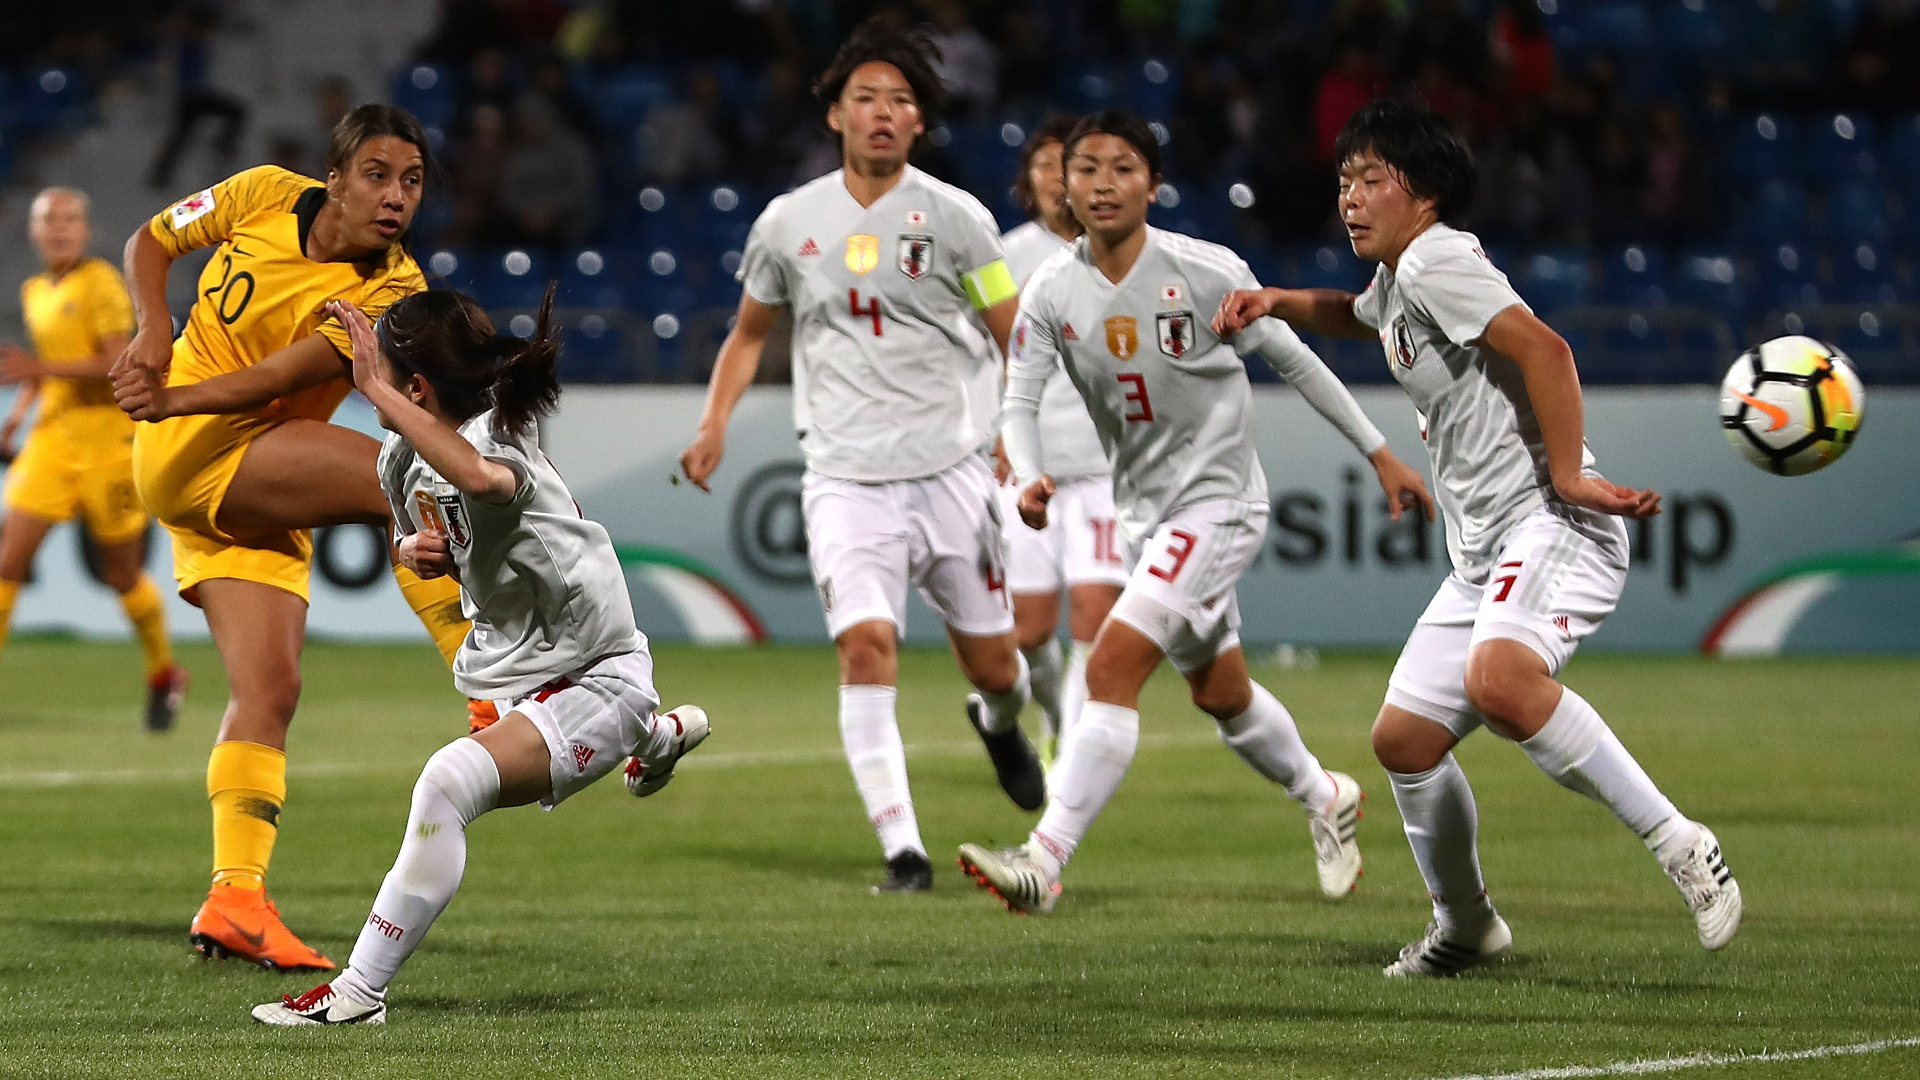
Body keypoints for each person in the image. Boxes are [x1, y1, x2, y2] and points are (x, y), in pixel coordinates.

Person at [1214, 100, 1741, 975]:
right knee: (1404, 743)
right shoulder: (1405, 275)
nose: (1350, 197)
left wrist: (1570, 473)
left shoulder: (1436, 259)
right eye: (1343, 180)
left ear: (1421, 194)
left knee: (1500, 683)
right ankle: (1467, 925)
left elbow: (1548, 351)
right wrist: (1282, 301)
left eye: (1371, 179)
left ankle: (1680, 842)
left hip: (1552, 522)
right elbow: (1363, 314)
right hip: (1486, 549)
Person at [957, 111, 1433, 915]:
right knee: (1221, 694)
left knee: (1107, 665)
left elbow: (1297, 362)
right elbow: (1020, 399)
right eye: (1087, 169)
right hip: (1145, 515)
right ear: (1063, 184)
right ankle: (1326, 795)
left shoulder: (1204, 271)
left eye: (1122, 168)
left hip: (1219, 506)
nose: (1103, 184)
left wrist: (1378, 451)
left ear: (1154, 182)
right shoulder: (1050, 290)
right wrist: (1031, 474)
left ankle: (1043, 859)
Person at [252, 288, 710, 1026]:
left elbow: (479, 481)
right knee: (482, 770)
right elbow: (410, 535)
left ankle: (358, 993)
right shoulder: (400, 459)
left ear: (415, 387)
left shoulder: (497, 440)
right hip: (519, 671)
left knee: (446, 783)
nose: (368, 388)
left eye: (382, 375)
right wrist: (410, 549)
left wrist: (367, 385)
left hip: (598, 673)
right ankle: (655, 739)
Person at [679, 20, 1043, 895]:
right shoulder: (787, 223)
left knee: (996, 667)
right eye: (866, 99)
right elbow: (748, 334)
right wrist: (712, 422)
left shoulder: (959, 221)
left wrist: (1013, 436)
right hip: (842, 476)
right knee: (866, 648)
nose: (883, 114)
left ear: (920, 122)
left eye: (901, 102)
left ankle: (998, 722)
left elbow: (1016, 336)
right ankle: (905, 852)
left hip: (951, 470)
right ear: (834, 114)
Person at [110, 105, 476, 973]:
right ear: (336, 176)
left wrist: (171, 397)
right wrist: (154, 326)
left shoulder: (395, 289)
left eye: (413, 181)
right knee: (411, 480)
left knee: (269, 690)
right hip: (197, 450)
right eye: (379, 175)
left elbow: (282, 377)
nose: (395, 197)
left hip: (236, 462)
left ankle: (235, 897)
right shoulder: (264, 194)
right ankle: (486, 688)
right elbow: (150, 241)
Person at [0, 188, 189, 730]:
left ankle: (163, 672)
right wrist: (18, 415)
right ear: (34, 232)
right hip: (54, 442)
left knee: (122, 575)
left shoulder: (102, 283)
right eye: (49, 220)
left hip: (108, 445)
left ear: (86, 231)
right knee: (8, 564)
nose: (60, 228)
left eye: (70, 219)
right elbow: (51, 369)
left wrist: (39, 370)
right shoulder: (35, 289)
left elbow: (114, 365)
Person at [994, 116, 1126, 767]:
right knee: (1030, 630)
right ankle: (1050, 710)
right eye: (1041, 166)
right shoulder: (999, 256)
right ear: (1030, 181)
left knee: (1093, 621)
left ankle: (1071, 759)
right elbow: (972, 348)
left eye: (1064, 166)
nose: (1053, 179)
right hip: (1029, 465)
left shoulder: (1122, 252)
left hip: (1106, 466)